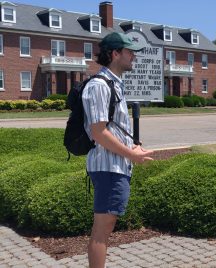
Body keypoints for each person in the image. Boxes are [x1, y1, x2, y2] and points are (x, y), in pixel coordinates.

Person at [82, 32, 154, 268]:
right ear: (115, 54)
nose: (133, 56)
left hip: (116, 165)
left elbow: (112, 129)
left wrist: (131, 146)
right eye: (129, 52)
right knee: (102, 229)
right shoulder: (99, 86)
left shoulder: (114, 84)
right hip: (108, 167)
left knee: (106, 227)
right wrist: (131, 153)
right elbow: (98, 132)